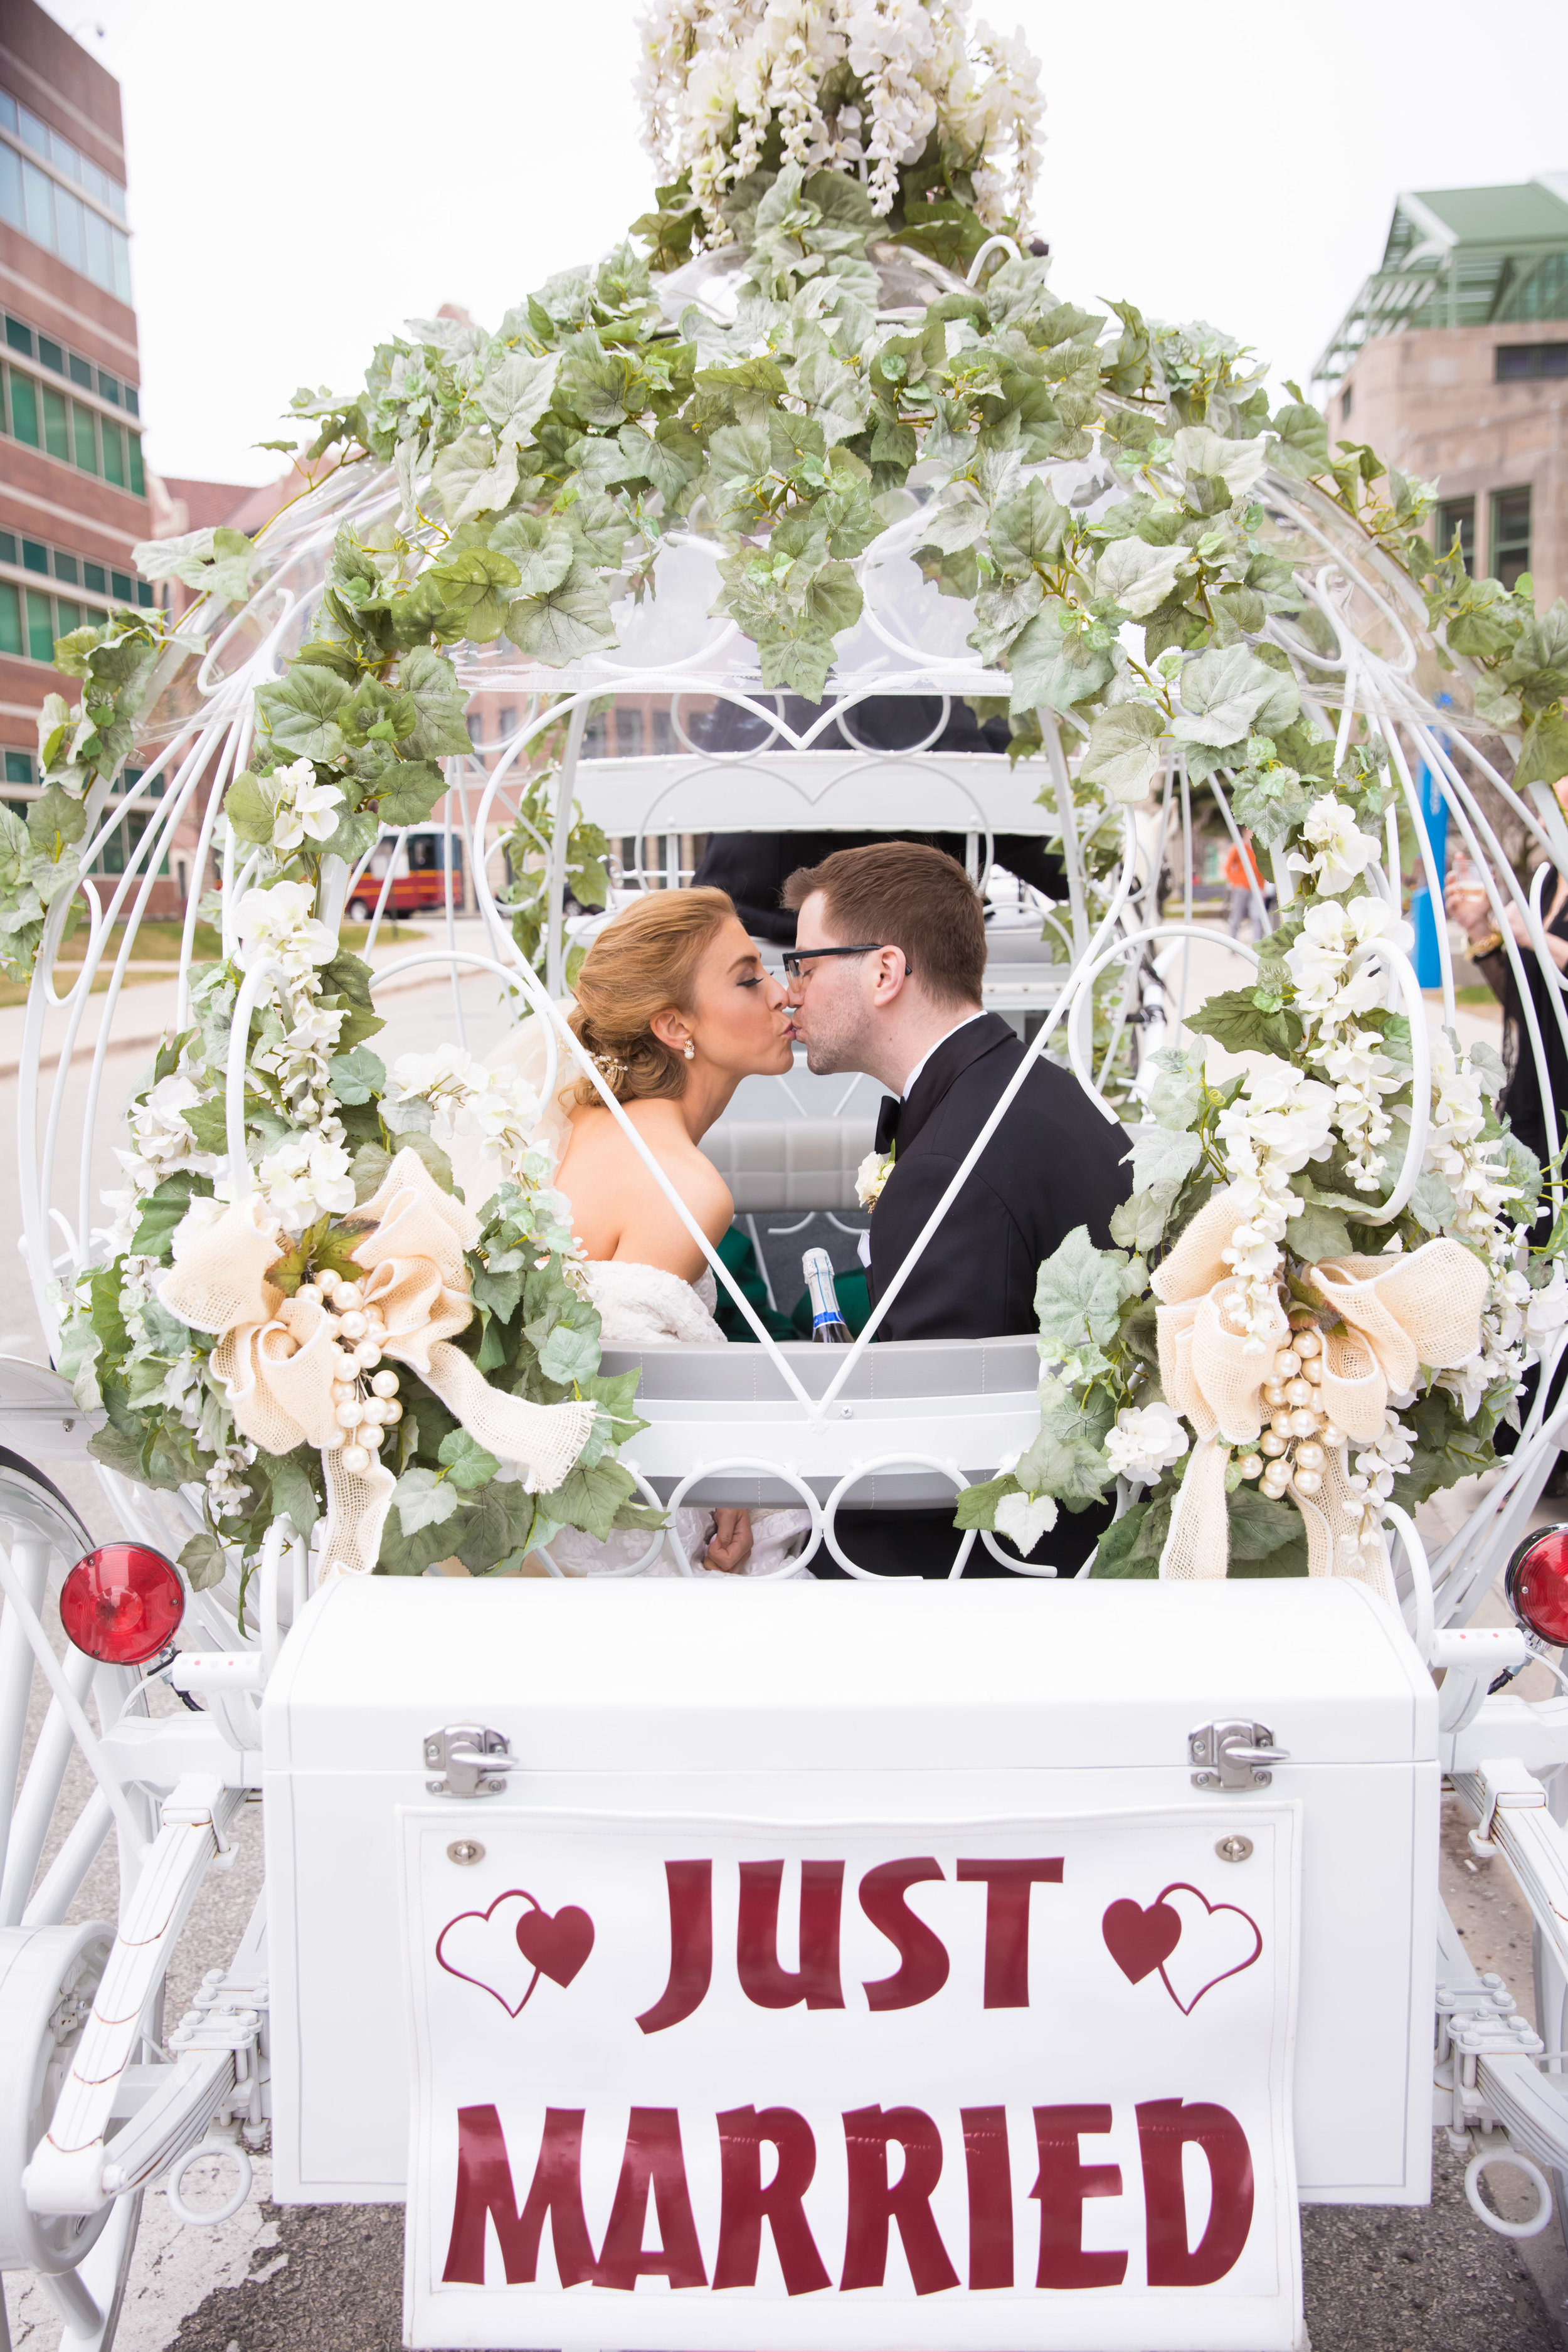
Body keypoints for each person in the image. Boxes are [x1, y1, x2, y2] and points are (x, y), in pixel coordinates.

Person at [781, 841, 1131, 1577]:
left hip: (1023, 1580)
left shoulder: (948, 1164)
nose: (790, 993)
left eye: (805, 966)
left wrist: (795, 1562)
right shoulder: (1034, 1088)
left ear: (884, 972)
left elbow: (926, 1463)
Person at [479, 889, 812, 1577]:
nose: (782, 995)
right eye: (749, 979)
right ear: (672, 1026)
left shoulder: (579, 1122)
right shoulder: (685, 1188)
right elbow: (628, 1408)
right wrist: (730, 1488)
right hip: (602, 1540)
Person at [1223, 830, 1265, 941]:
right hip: (1241, 888)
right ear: (1245, 833)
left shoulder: (1259, 848)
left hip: (1256, 889)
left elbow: (1261, 870)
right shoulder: (1238, 847)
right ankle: (1232, 943)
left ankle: (1257, 945)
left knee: (1257, 916)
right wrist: (1234, 882)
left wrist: (1262, 887)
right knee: (1236, 917)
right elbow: (1227, 867)